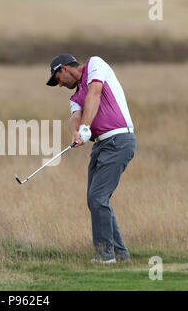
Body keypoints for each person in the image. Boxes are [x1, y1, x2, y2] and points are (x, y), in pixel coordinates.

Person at [46, 53, 136, 264]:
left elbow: (94, 95)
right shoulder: (75, 97)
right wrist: (76, 132)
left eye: (58, 79)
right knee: (94, 199)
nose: (59, 85)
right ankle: (120, 254)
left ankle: (105, 256)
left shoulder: (95, 65)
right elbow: (74, 117)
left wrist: (86, 127)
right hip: (101, 146)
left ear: (65, 69)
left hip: (118, 140)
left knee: (98, 198)